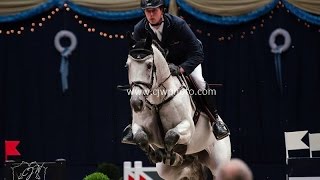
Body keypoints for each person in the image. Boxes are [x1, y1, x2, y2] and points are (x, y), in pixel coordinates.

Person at [122, 0, 230, 144]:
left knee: (199, 82)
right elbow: (137, 57)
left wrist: (181, 68)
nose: (151, 14)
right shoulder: (140, 29)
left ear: (162, 10)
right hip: (159, 68)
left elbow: (198, 53)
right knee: (138, 89)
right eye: (148, 11)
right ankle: (133, 126)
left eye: (154, 10)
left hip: (185, 61)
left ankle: (216, 121)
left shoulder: (178, 25)